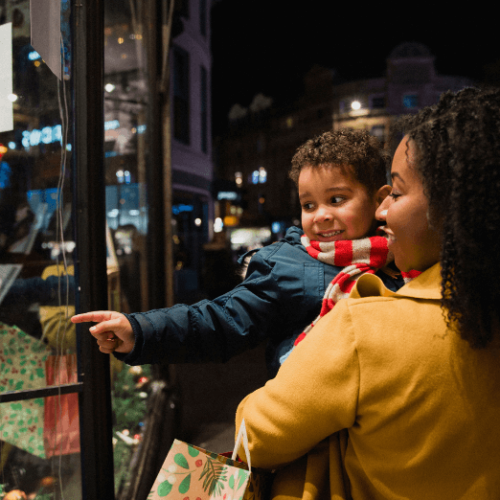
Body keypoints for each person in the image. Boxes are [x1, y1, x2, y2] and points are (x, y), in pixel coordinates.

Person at [235, 87, 500, 499]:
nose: (381, 211)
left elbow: (254, 435)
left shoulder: (363, 325)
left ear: (449, 205)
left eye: (394, 192)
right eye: (309, 205)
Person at [71, 130, 404, 376]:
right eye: (308, 204)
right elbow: (220, 321)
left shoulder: (406, 256)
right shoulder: (285, 264)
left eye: (336, 199)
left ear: (380, 199)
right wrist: (141, 330)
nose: (320, 215)